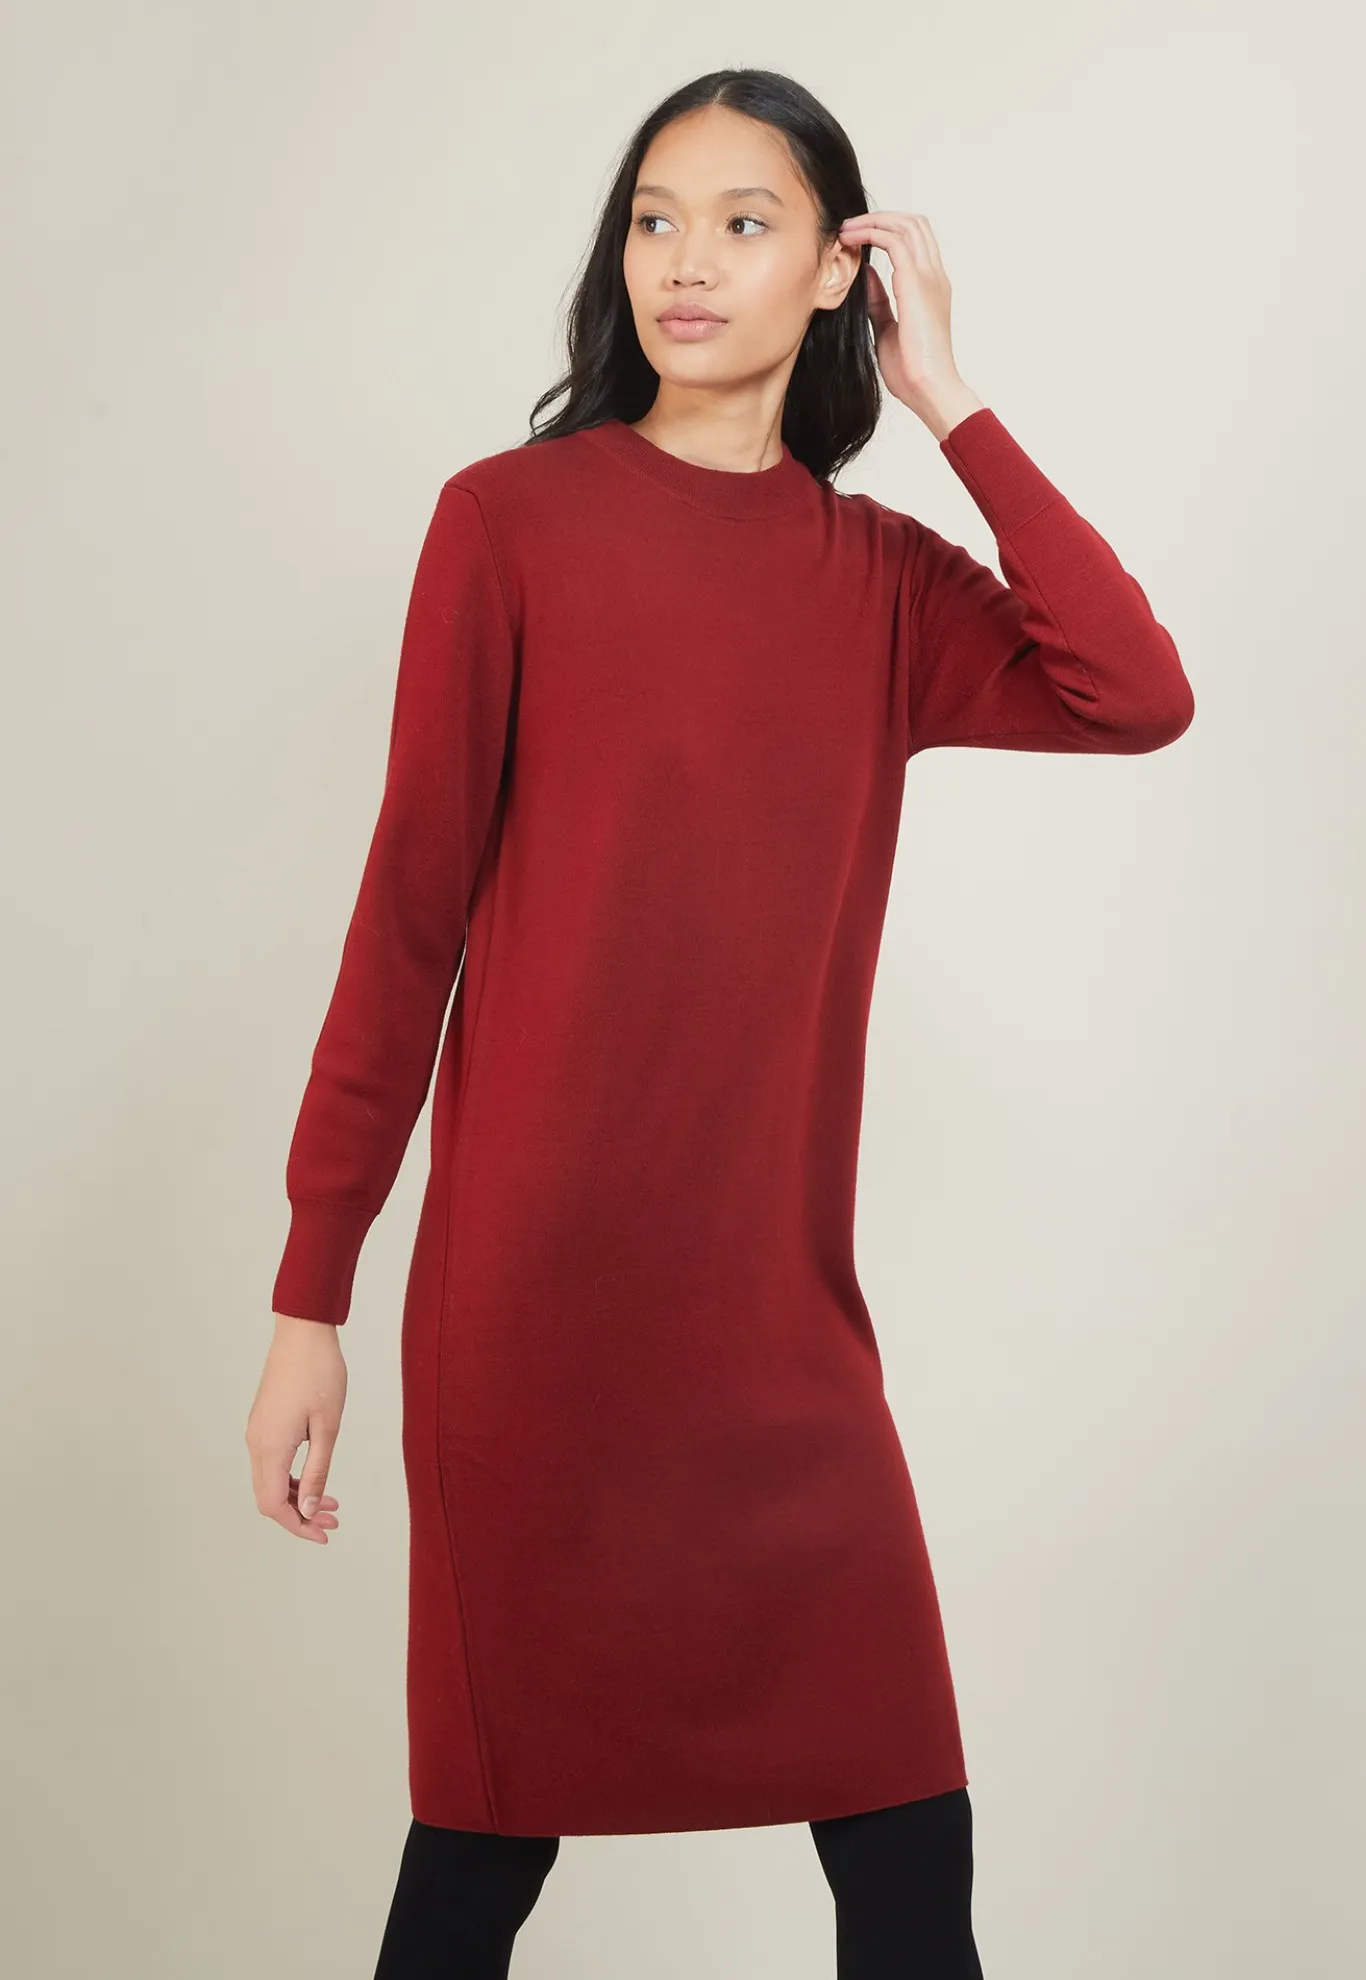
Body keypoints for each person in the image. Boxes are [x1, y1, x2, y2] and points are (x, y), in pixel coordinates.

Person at [244, 65, 1193, 1979]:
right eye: (655, 220)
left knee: (911, 1857)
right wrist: (309, 1299)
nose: (686, 262)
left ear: (840, 270)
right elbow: (406, 925)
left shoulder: (885, 585)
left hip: (778, 1340)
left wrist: (951, 403)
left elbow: (1134, 690)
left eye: (746, 224)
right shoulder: (507, 527)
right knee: (484, 1855)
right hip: (535, 1317)